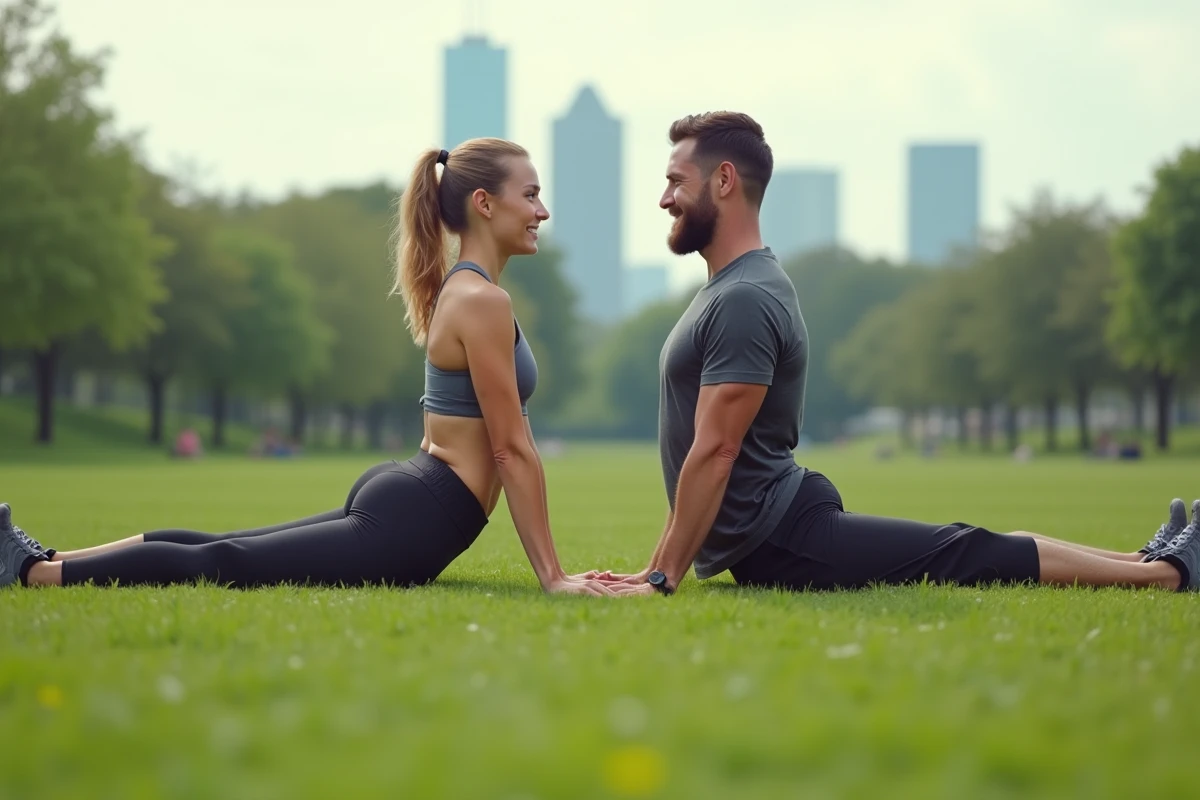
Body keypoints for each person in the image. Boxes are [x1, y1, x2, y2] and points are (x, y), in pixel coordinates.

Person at [594, 111, 1199, 597]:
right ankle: (1148, 558)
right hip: (778, 529)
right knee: (962, 544)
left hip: (785, 533)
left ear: (723, 181)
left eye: (676, 180)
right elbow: (701, 455)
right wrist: (651, 570)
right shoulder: (728, 289)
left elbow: (718, 447)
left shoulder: (746, 296)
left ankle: (1166, 573)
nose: (664, 198)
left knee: (964, 551)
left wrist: (661, 579)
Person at [1, 138, 614, 597]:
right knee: (227, 563)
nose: (543, 211)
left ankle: (44, 559)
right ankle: (35, 572)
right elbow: (510, 449)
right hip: (420, 515)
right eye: (530, 195)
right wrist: (554, 578)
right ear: (484, 203)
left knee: (223, 551)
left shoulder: (467, 290)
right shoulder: (482, 299)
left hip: (415, 493)